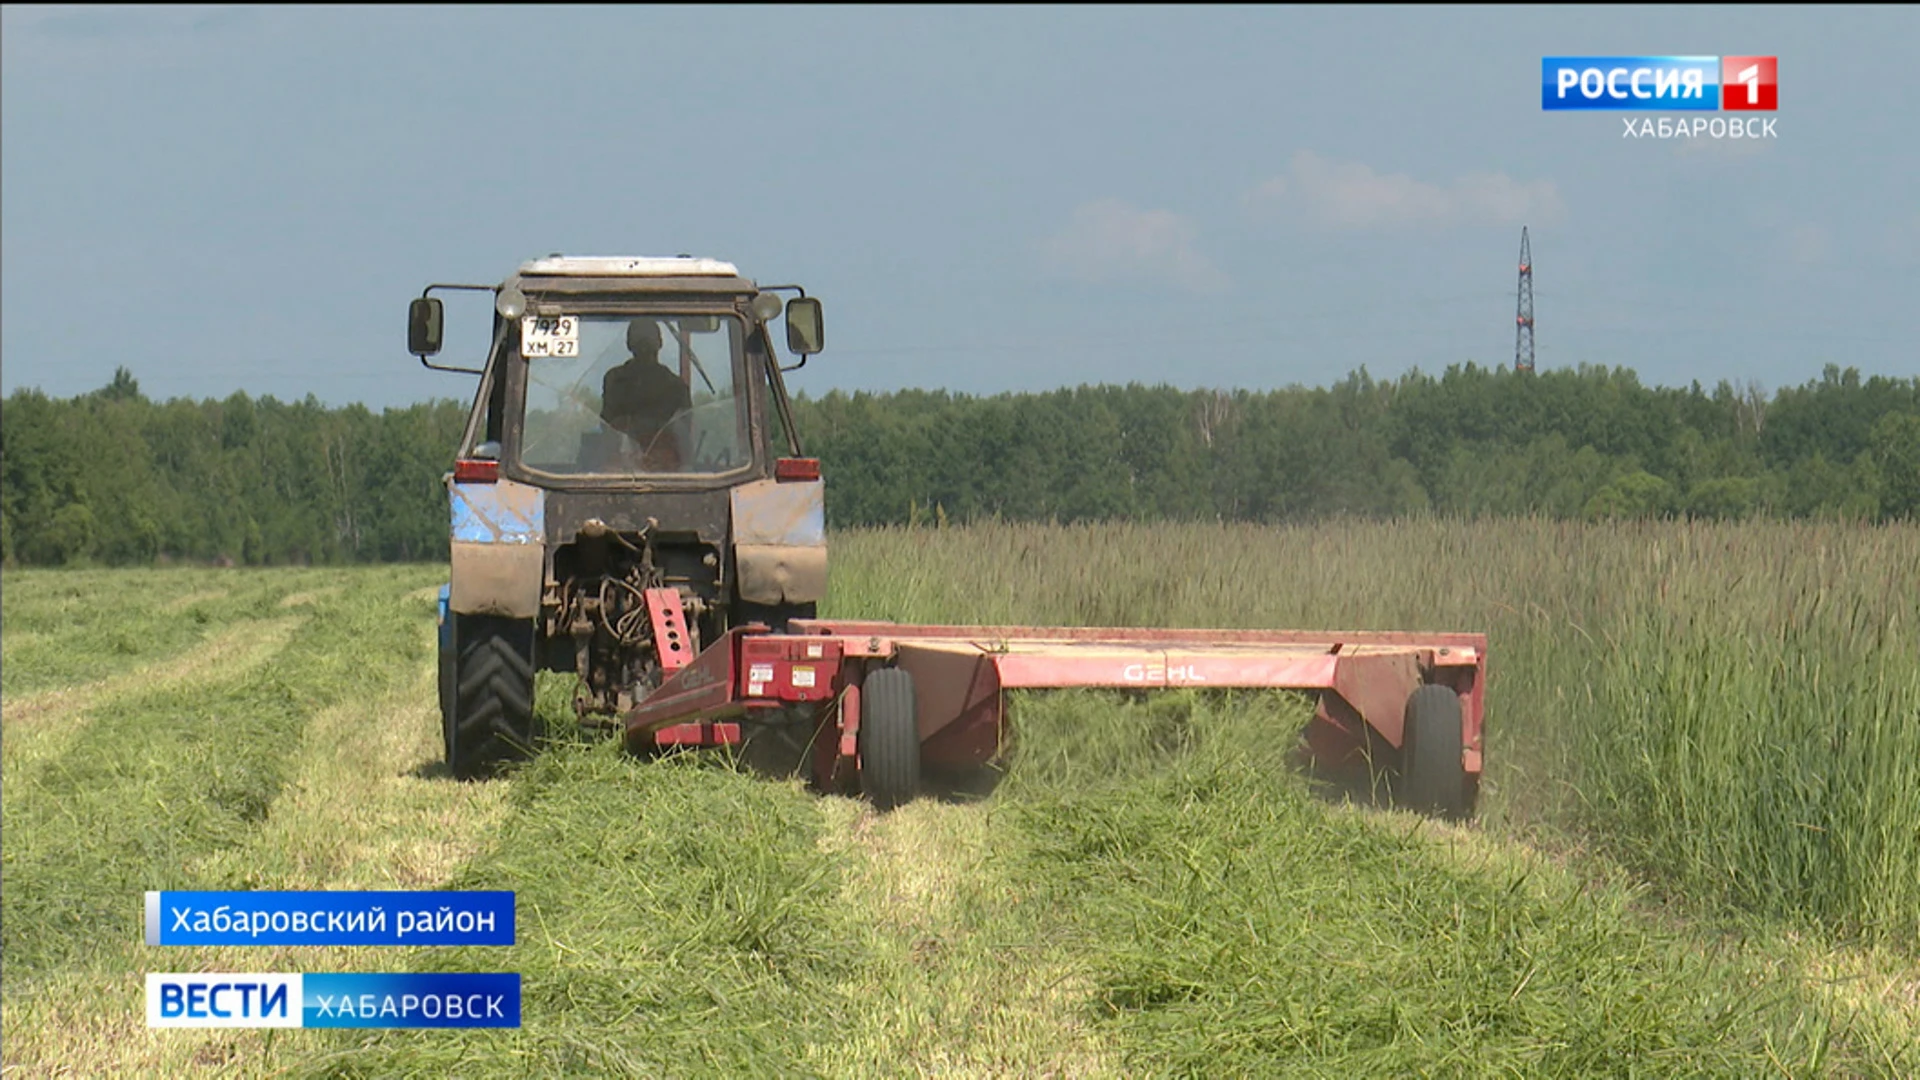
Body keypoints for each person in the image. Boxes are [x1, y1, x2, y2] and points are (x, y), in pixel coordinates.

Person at [600, 319, 691, 469]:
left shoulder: (676, 386)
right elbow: (609, 427)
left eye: (647, 343)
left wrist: (661, 454)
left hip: (667, 471)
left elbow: (684, 435)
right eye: (640, 343)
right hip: (622, 466)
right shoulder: (615, 381)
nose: (644, 349)